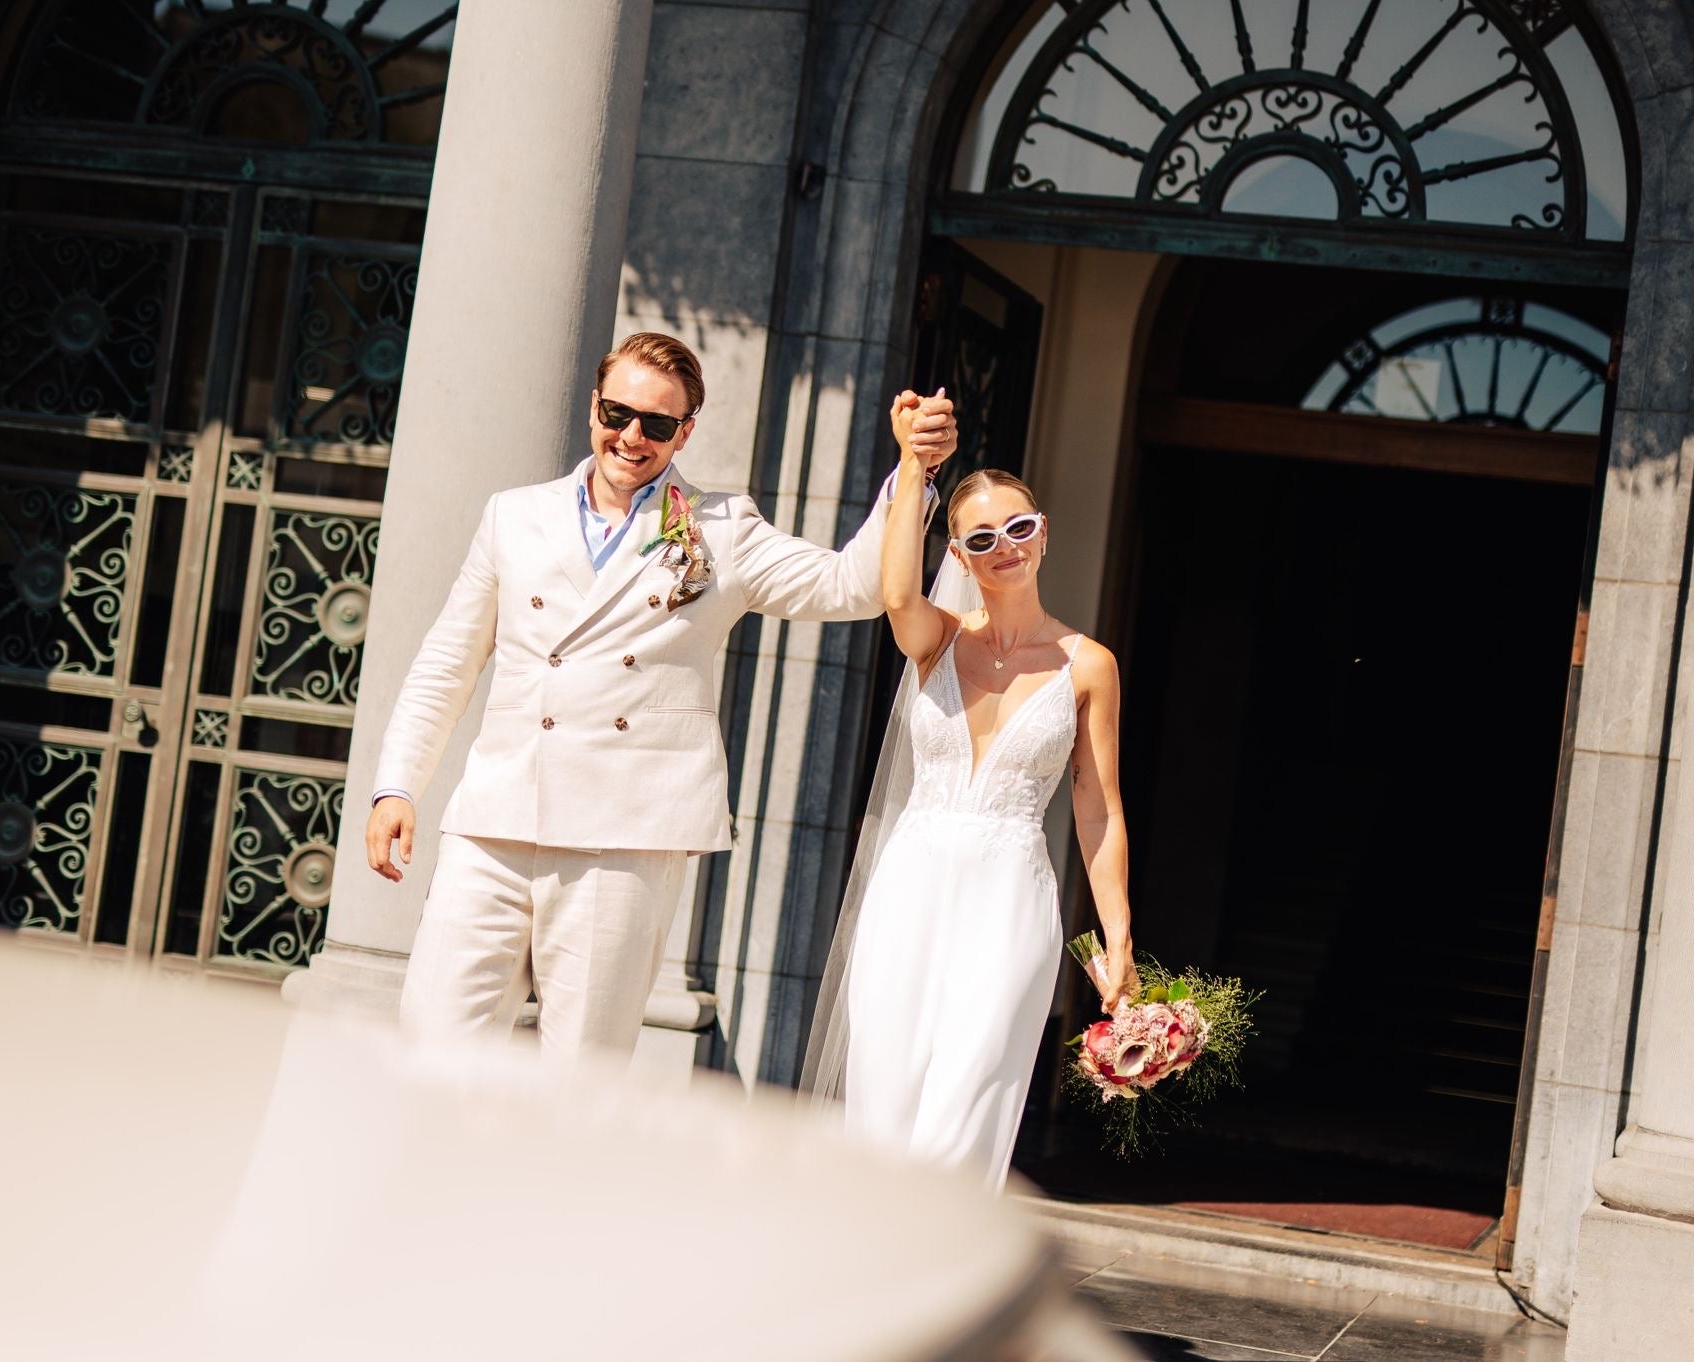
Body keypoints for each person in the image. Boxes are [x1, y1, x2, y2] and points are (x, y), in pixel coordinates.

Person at [363, 332, 957, 1059]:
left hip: (624, 837)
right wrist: (397, 785)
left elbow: (852, 587)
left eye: (657, 423)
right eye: (618, 413)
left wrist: (911, 471)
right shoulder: (513, 515)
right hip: (494, 825)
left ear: (686, 432)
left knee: (578, 1074)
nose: (631, 436)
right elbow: (447, 660)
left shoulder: (722, 528)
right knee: (430, 1049)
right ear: (594, 407)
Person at [812, 395, 1140, 1191]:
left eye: (1018, 528)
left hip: (1009, 902)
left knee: (968, 1100)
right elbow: (896, 594)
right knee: (883, 1100)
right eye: (983, 539)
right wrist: (913, 465)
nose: (1006, 548)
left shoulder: (1089, 665)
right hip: (910, 889)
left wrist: (1120, 937)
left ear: (1044, 532)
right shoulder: (937, 640)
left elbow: (1097, 808)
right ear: (958, 555)